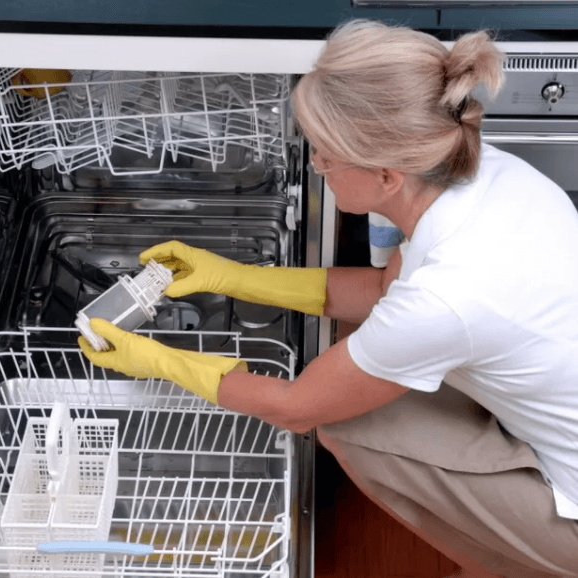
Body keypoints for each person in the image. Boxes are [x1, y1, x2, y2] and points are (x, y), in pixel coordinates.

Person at [79, 19, 578, 578]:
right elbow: (382, 291)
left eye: (325, 154)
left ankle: (506, 567)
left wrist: (152, 361)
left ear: (387, 176)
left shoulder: (445, 295)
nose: (315, 165)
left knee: (347, 423)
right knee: (360, 374)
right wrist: (228, 276)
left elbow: (297, 408)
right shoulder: (489, 176)